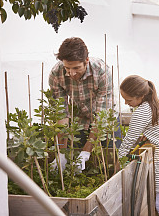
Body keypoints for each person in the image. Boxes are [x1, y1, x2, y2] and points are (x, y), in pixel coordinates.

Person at [117, 75, 159, 216]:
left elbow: (129, 141)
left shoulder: (141, 112)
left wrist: (118, 163)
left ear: (141, 96)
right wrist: (155, 133)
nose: (126, 103)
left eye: (128, 100)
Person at [49, 37, 114, 172]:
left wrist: (86, 152)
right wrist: (61, 152)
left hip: (105, 122)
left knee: (108, 163)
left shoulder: (101, 71)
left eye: (76, 68)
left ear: (86, 61)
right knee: (79, 168)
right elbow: (61, 113)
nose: (71, 73)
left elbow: (102, 116)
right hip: (80, 120)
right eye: (67, 68)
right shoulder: (56, 73)